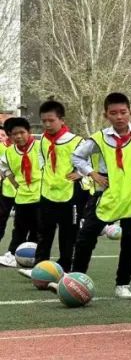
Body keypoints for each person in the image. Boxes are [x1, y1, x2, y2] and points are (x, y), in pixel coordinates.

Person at [70, 93, 131, 297]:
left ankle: (123, 284)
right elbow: (77, 156)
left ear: (130, 113)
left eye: (123, 112)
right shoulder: (98, 138)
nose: (119, 117)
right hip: (106, 192)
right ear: (106, 115)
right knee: (86, 237)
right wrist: (92, 173)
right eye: (113, 113)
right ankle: (76, 278)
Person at [32, 100, 82, 272]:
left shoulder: (76, 141)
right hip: (47, 193)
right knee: (44, 232)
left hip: (69, 193)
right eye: (44, 121)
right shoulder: (43, 140)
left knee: (68, 234)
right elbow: (41, 158)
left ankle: (65, 267)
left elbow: (91, 161)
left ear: (61, 120)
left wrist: (80, 173)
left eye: (51, 120)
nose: (47, 124)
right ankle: (39, 267)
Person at [0, 117, 42, 269]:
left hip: (41, 196)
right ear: (10, 136)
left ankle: (37, 258)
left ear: (29, 132)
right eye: (14, 134)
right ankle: (12, 255)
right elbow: (6, 170)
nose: (18, 136)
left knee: (39, 230)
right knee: (19, 229)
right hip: (22, 197)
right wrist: (17, 185)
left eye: (22, 132)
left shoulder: (41, 146)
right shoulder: (9, 153)